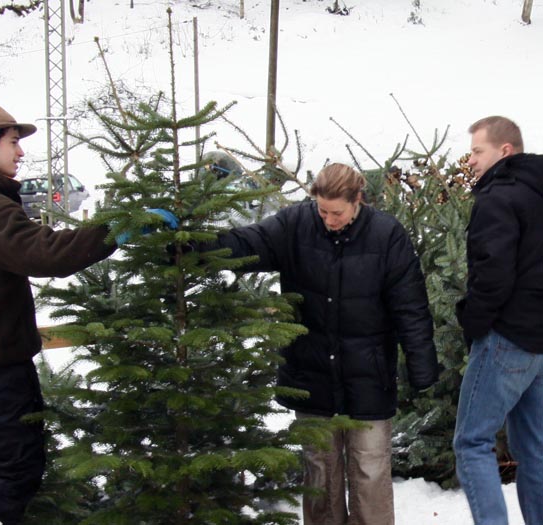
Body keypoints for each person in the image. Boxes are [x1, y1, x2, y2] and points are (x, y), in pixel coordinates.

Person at [198, 162, 438, 524]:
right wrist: (192, 246)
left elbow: (411, 308)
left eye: (337, 212)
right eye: (322, 210)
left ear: (358, 199)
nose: (329, 219)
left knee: (370, 471)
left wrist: (422, 368)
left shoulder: (387, 236)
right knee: (320, 472)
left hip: (368, 373)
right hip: (310, 371)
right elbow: (247, 243)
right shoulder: (295, 224)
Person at [0, 103, 117, 525]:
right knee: (16, 472)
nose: (20, 153)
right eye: (13, 143)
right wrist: (114, 231)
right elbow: (44, 252)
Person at [453, 116, 543, 525]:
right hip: (539, 344)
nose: (470, 160)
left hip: (506, 337)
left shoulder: (498, 198)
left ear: (504, 151)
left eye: (476, 151)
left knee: (472, 443)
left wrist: (472, 323)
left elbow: (492, 274)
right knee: (535, 449)